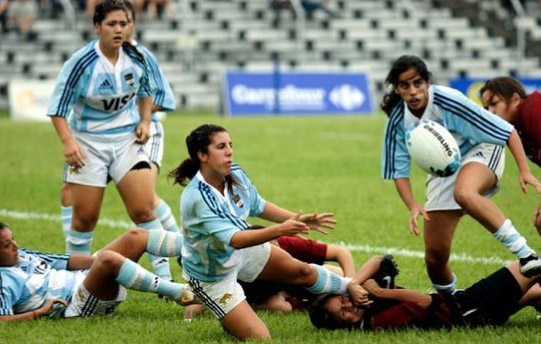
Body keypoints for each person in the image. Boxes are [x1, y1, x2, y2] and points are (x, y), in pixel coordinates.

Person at [169, 124, 360, 340]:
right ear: (202, 155)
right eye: (221, 146)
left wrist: (294, 218)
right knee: (261, 338)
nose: (230, 151)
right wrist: (281, 229)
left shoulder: (235, 173)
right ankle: (218, 309)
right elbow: (236, 239)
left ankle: (351, 288)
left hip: (240, 254)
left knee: (302, 271)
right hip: (213, 276)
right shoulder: (197, 197)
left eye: (230, 145)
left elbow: (258, 205)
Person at [380, 55, 541, 295]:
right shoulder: (397, 121)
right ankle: (451, 302)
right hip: (443, 168)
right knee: (434, 258)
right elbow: (398, 171)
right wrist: (413, 205)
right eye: (405, 86)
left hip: (482, 149)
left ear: (427, 83)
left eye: (418, 83)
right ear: (397, 88)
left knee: (464, 193)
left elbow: (507, 132)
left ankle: (526, 255)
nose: (413, 91)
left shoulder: (447, 99)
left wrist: (524, 170)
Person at [58, 0, 179, 283]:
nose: (119, 29)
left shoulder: (141, 57)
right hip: (97, 139)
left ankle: (169, 265)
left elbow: (162, 100)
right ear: (98, 26)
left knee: (143, 202)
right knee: (71, 193)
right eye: (112, 23)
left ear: (132, 25)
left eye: (123, 23)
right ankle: (77, 267)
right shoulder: (87, 61)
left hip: (139, 134)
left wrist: (140, 118)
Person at [0, 221, 194, 322]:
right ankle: (182, 293)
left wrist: (100, 260)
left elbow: (66, 261)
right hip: (77, 304)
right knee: (108, 259)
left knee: (134, 236)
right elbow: (2, 319)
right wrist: (38, 313)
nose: (16, 246)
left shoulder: (22, 254)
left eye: (13, 239)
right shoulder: (3, 281)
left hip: (85, 279)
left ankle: (203, 246)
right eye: (7, 245)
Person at [309, 256, 541, 330]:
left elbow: (382, 261)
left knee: (534, 291)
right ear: (346, 326)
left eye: (342, 301)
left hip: (462, 303)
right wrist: (380, 293)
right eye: (343, 313)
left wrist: (353, 283)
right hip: (466, 311)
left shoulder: (364, 302)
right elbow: (423, 301)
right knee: (528, 267)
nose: (349, 305)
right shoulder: (376, 321)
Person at [184, 234, 357, 318]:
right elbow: (197, 305)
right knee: (276, 305)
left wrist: (352, 284)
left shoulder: (287, 245)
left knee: (335, 273)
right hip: (272, 294)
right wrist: (194, 307)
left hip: (304, 280)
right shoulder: (243, 272)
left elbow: (341, 252)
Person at [479, 76, 541, 234]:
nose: (490, 112)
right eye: (486, 108)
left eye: (494, 104)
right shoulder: (514, 126)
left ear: (515, 99)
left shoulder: (534, 112)